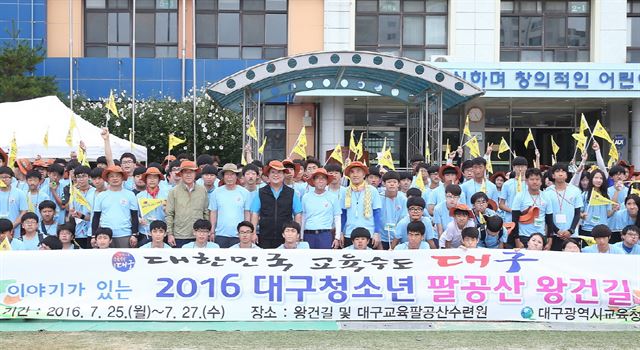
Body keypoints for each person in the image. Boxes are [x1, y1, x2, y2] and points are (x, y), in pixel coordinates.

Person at [251, 160, 302, 249]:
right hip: (265, 236)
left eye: (279, 172)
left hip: (285, 238)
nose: (276, 175)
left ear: (283, 175)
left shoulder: (291, 193)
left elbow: (298, 214)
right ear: (268, 175)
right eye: (273, 172)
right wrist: (253, 233)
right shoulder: (260, 192)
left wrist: (297, 233)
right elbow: (255, 213)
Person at [92, 165, 139, 248]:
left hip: (125, 234)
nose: (115, 178)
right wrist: (93, 236)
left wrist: (134, 234)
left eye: (117, 176)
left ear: (122, 178)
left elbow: (134, 216)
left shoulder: (130, 195)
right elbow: (96, 217)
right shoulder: (101, 196)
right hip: (105, 236)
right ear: (107, 179)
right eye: (111, 176)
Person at [166, 160, 210, 247]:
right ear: (181, 174)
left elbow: (206, 212)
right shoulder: (174, 191)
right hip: (179, 235)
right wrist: (170, 234)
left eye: (191, 172)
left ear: (195, 174)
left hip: (198, 235)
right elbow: (169, 214)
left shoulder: (202, 190)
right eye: (185, 172)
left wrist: (207, 232)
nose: (188, 175)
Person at [340, 161, 383, 249]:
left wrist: (377, 232)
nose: (355, 175)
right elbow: (343, 214)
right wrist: (340, 233)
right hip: (349, 234)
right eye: (352, 172)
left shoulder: (372, 190)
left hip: (368, 235)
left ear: (364, 174)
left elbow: (377, 213)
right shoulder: (345, 191)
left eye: (358, 171)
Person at [208, 163, 251, 248]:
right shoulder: (216, 192)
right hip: (220, 234)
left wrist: (247, 232)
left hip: (239, 235)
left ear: (236, 176)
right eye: (227, 174)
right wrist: (212, 231)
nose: (229, 177)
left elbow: (247, 213)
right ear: (223, 177)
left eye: (232, 174)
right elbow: (213, 212)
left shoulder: (244, 192)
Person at [511, 168, 553, 248]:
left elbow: (549, 220)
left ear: (541, 181)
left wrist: (549, 241)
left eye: (537, 179)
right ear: (526, 181)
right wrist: (517, 240)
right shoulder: (519, 196)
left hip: (540, 236)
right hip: (523, 235)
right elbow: (514, 220)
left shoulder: (546, 197)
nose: (535, 182)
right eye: (532, 179)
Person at [545, 163, 583, 251]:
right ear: (553, 175)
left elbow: (577, 214)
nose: (560, 173)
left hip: (572, 235)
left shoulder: (575, 191)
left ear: (566, 175)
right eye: (557, 171)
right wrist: (556, 230)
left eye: (563, 171)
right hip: (554, 234)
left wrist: (571, 230)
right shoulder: (547, 192)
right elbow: (547, 216)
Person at [301, 168, 341, 249]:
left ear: (327, 181)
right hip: (308, 234)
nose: (320, 181)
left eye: (323, 178)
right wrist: (301, 237)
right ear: (313, 181)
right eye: (318, 178)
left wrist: (337, 237)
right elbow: (303, 218)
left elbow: (337, 218)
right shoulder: (306, 197)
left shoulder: (333, 197)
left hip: (325, 234)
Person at [579, 169, 617, 238]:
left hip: (602, 229)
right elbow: (578, 212)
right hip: (587, 228)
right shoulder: (585, 195)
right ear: (591, 179)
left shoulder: (606, 195)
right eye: (596, 178)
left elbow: (608, 214)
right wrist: (582, 215)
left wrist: (614, 210)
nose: (598, 180)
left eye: (601, 178)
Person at [136, 167, 168, 245]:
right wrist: (139, 220)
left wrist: (166, 210)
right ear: (146, 180)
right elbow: (135, 214)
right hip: (145, 231)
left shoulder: (167, 194)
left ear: (159, 180)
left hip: (162, 232)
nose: (152, 180)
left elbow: (172, 213)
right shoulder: (140, 196)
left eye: (155, 178)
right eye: (149, 178)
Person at [68, 166, 96, 248]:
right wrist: (73, 213)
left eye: (84, 176)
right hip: (79, 231)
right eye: (78, 177)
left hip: (93, 230)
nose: (81, 179)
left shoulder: (95, 192)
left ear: (89, 177)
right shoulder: (73, 193)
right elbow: (71, 210)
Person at [380, 171, 407, 250]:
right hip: (381, 237)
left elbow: (404, 219)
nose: (392, 184)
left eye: (394, 182)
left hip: (398, 238)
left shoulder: (403, 199)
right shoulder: (378, 197)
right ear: (384, 183)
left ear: (398, 184)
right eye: (389, 182)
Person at [0, 166, 28, 238]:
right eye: (1, 177)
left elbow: (24, 211)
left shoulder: (19, 193)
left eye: (6, 177)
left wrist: (12, 225)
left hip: (14, 230)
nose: (3, 179)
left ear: (12, 178)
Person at [499, 156, 529, 223]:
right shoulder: (507, 184)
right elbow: (501, 204)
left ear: (526, 168)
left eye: (522, 166)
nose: (520, 169)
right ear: (513, 168)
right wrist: (513, 211)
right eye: (518, 166)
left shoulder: (530, 183)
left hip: (527, 218)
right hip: (510, 219)